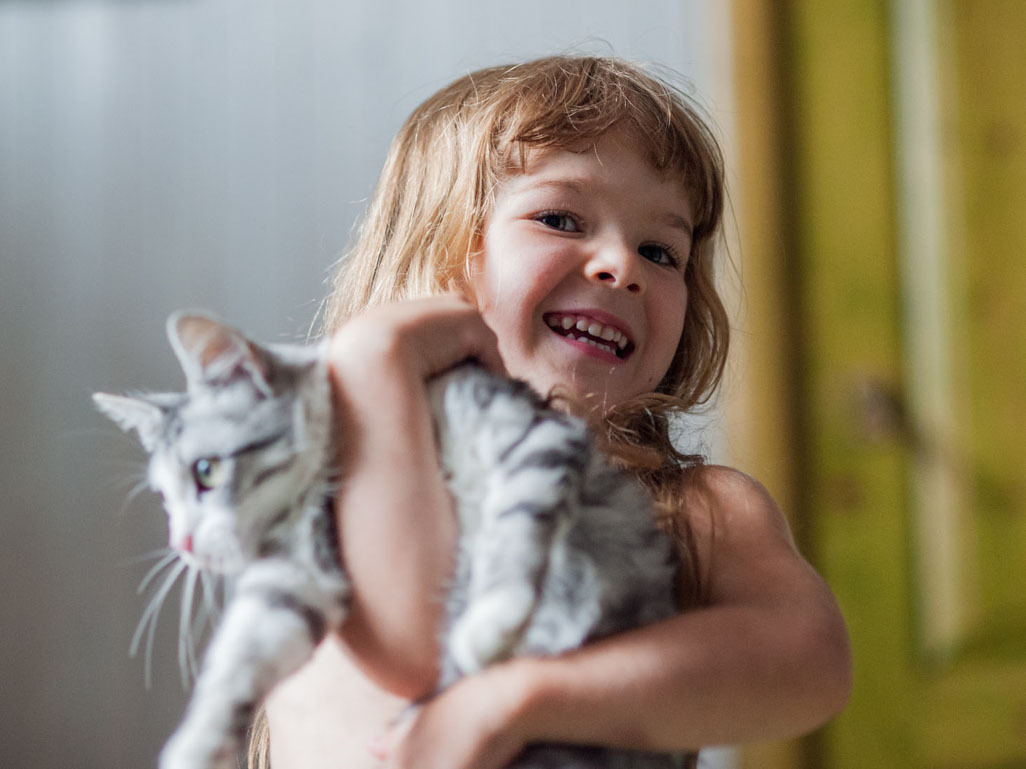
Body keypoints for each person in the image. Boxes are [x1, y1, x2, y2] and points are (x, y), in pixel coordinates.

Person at [252, 55, 852, 769]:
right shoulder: (333, 477)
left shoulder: (694, 510)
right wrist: (376, 362)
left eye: (661, 250)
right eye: (561, 217)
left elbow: (808, 657)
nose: (622, 265)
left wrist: (520, 699)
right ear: (438, 258)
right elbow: (401, 641)